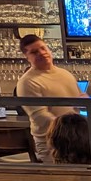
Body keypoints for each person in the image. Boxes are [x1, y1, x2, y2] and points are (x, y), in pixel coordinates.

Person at [16, 34, 84, 163]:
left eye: (43, 48)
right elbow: (41, 116)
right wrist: (72, 129)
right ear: (27, 57)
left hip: (76, 140)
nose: (41, 53)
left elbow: (79, 103)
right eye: (34, 52)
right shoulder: (27, 82)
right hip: (51, 143)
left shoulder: (65, 74)